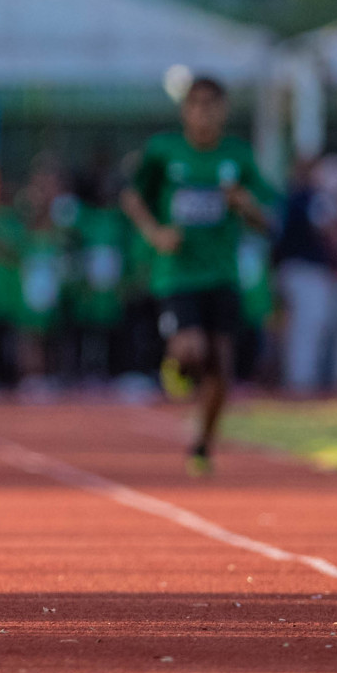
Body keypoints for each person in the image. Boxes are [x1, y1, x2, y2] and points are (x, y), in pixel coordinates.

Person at [121, 75, 275, 476]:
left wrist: (246, 206)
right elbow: (133, 197)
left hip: (222, 275)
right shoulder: (163, 151)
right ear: (185, 110)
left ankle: (203, 443)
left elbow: (268, 220)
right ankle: (177, 365)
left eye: (213, 104)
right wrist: (156, 233)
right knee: (192, 349)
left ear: (224, 110)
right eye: (197, 104)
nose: (204, 113)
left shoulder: (238, 156)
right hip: (177, 274)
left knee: (222, 369)